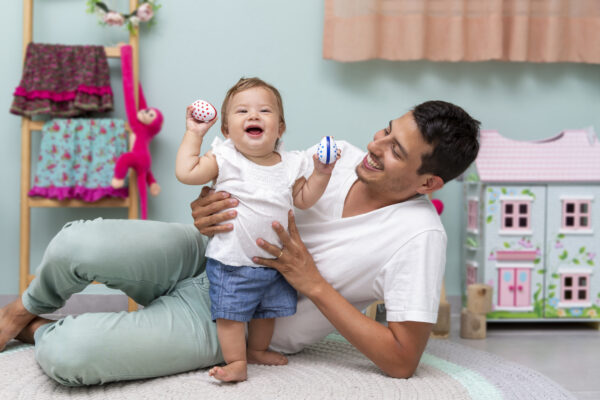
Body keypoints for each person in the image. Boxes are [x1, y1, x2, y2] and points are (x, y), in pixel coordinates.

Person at [0, 100, 480, 386]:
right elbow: (253, 179)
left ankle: (36, 330)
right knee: (77, 244)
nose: (376, 146)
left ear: (428, 183)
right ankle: (23, 310)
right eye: (386, 131)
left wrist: (312, 283)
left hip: (241, 317)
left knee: (73, 357)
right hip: (202, 253)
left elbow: (402, 361)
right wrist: (206, 209)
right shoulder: (335, 158)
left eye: (397, 150)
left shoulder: (419, 237)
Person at [175, 77, 339, 382]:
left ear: (280, 128)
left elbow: (304, 199)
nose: (253, 116)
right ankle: (236, 361)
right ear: (226, 131)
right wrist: (194, 133)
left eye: (265, 110)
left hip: (275, 262)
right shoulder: (226, 158)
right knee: (231, 316)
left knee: (267, 312)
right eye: (242, 112)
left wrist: (322, 172)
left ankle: (257, 350)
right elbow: (187, 173)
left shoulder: (292, 163)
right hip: (232, 261)